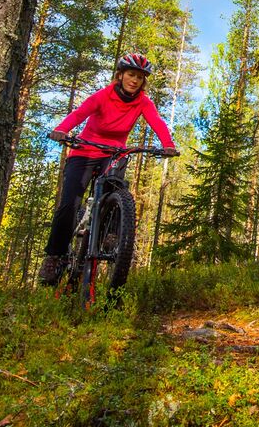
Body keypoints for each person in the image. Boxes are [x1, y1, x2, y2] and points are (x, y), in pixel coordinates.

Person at [39, 52, 178, 285]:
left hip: (114, 153)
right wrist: (62, 130)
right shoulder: (104, 95)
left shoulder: (143, 101)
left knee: (117, 188)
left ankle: (112, 234)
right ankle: (55, 256)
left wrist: (168, 145)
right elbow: (80, 113)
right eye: (131, 74)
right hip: (85, 150)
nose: (135, 80)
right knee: (69, 204)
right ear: (121, 75)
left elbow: (157, 122)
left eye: (140, 77)